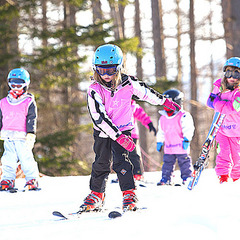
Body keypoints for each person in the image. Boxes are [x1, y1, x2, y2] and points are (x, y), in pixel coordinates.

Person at [82, 44, 180, 211]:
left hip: (124, 128)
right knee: (101, 162)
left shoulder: (129, 83)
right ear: (95, 69)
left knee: (122, 162)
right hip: (104, 132)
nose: (106, 75)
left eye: (111, 70)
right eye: (101, 70)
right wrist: (118, 136)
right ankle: (97, 194)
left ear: (119, 67)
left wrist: (164, 101)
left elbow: (147, 93)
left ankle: (129, 193)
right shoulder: (94, 90)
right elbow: (99, 118)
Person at [0, 68, 39, 191]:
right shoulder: (3, 102)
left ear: (25, 84)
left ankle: (32, 179)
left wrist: (31, 133)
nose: (16, 87)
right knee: (7, 159)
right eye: (13, 84)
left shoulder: (28, 101)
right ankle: (7, 179)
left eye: (19, 84)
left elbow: (32, 118)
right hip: (8, 135)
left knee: (26, 158)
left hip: (22, 136)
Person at [207, 57, 240, 183]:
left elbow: (233, 107)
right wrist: (219, 103)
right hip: (222, 129)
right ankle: (223, 176)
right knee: (223, 153)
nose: (232, 77)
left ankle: (236, 178)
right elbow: (209, 102)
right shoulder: (220, 86)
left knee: (237, 158)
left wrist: (218, 103)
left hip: (237, 131)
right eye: (228, 73)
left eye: (236, 74)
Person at [156, 89, 194, 186]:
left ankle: (187, 177)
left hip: (181, 146)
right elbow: (161, 131)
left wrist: (187, 139)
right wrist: (159, 142)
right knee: (167, 164)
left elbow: (188, 128)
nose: (165, 106)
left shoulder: (183, 116)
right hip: (169, 147)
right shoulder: (163, 118)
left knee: (184, 163)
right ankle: (166, 178)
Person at [130, 99, 157, 180]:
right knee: (121, 156)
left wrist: (149, 124)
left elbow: (141, 115)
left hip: (132, 134)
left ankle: (137, 173)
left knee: (134, 155)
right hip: (119, 135)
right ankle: (123, 174)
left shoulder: (133, 105)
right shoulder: (117, 105)